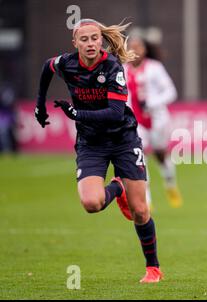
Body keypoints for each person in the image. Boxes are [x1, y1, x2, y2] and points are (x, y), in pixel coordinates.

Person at [34, 19, 163, 283]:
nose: (90, 43)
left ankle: (153, 269)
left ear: (101, 40)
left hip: (123, 139)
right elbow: (47, 67)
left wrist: (76, 113)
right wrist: (40, 105)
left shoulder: (112, 67)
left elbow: (115, 114)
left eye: (95, 38)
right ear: (75, 43)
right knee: (91, 204)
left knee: (140, 211)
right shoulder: (66, 63)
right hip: (91, 143)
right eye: (84, 39)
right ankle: (118, 187)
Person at [124, 36, 182, 209]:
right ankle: (146, 200)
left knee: (161, 155)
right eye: (131, 47)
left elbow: (171, 92)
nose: (135, 51)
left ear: (145, 49)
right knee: (139, 157)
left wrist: (151, 103)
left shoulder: (154, 68)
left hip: (158, 120)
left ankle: (170, 184)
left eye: (138, 47)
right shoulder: (123, 69)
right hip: (136, 122)